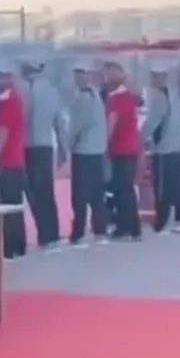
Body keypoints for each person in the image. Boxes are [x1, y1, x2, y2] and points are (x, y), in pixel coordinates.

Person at [21, 56, 67, 248]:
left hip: (27, 147)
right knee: (46, 191)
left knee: (33, 192)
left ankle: (45, 233)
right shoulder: (52, 91)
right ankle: (50, 234)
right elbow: (59, 122)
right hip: (46, 146)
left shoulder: (24, 90)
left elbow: (21, 119)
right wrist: (63, 147)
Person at [144, 65, 180, 234]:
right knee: (178, 183)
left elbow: (152, 123)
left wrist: (142, 138)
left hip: (164, 148)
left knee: (162, 186)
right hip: (176, 146)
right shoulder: (174, 96)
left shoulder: (160, 98)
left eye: (155, 76)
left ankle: (161, 222)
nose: (153, 80)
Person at [66, 58, 108, 245]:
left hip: (83, 152)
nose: (77, 78)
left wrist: (67, 144)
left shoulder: (83, 98)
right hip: (97, 151)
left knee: (80, 195)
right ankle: (100, 230)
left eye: (79, 74)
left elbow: (76, 126)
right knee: (97, 194)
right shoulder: (96, 96)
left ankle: (78, 232)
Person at [0, 60, 28, 258]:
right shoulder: (16, 99)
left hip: (7, 161)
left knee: (6, 205)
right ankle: (19, 245)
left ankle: (9, 246)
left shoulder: (6, 102)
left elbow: (2, 132)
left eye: (0, 76)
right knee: (15, 205)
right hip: (16, 160)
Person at [103, 60, 143, 240]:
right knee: (127, 189)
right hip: (130, 149)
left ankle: (124, 227)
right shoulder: (128, 97)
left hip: (121, 149)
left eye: (110, 73)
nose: (107, 77)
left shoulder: (117, 99)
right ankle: (134, 228)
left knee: (122, 189)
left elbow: (111, 124)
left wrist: (103, 145)